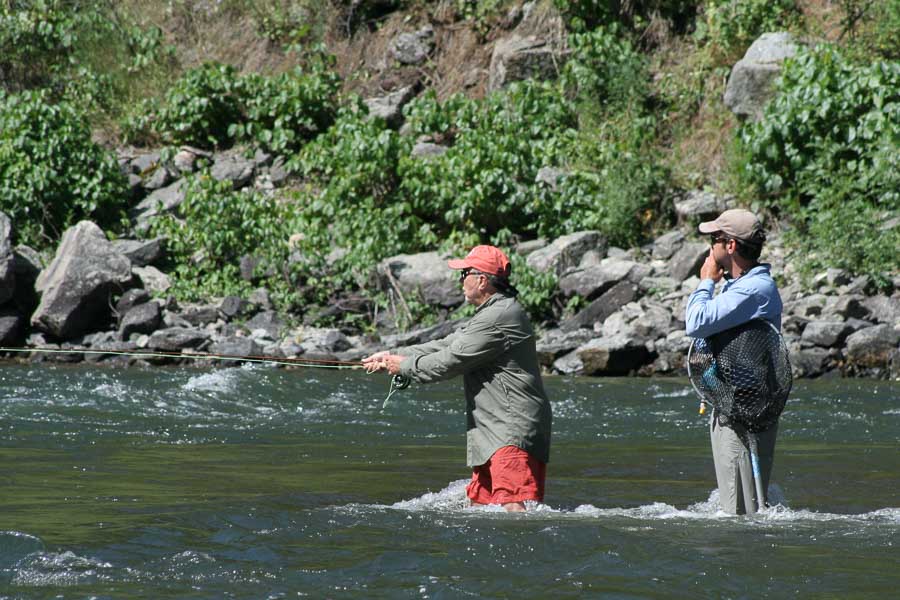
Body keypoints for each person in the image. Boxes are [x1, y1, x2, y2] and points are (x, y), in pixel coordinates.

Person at [363, 245, 552, 512]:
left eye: (464, 273)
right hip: (492, 430)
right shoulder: (492, 312)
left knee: (514, 511)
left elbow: (450, 361)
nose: (460, 280)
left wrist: (404, 366)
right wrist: (393, 356)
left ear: (482, 280)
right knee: (479, 506)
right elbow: (447, 344)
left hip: (510, 430)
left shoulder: (498, 316)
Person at [684, 209, 783, 515]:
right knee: (738, 506)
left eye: (714, 239)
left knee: (739, 513)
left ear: (730, 246)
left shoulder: (755, 289)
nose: (709, 247)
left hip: (744, 413)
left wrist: (705, 282)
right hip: (733, 406)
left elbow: (696, 322)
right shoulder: (742, 287)